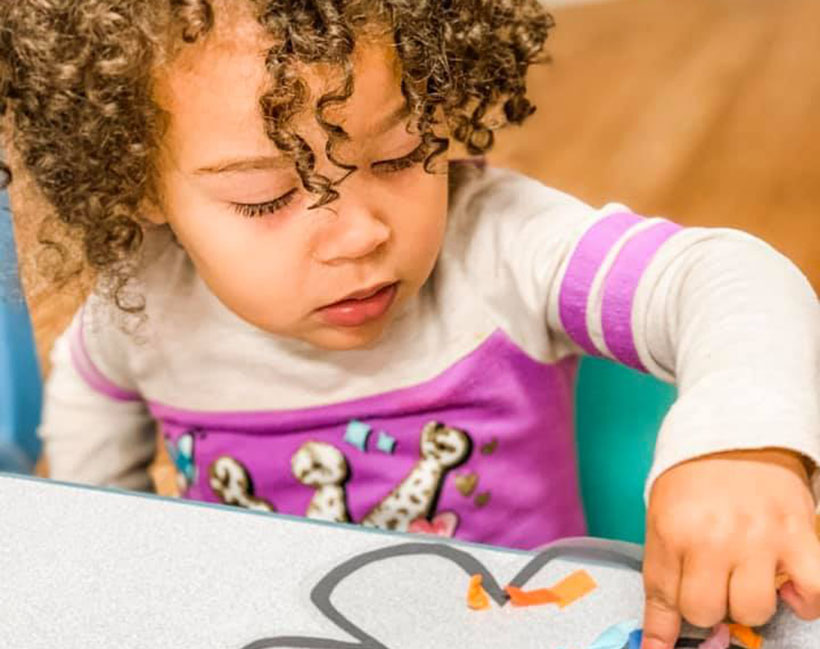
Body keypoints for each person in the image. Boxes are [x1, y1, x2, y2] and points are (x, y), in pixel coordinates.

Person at [1, 2, 818, 647]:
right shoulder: (140, 302)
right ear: (140, 184)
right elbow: (92, 401)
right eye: (267, 196)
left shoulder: (502, 248)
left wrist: (742, 444)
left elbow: (723, 276)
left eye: (398, 154)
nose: (359, 233)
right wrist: (104, 562)